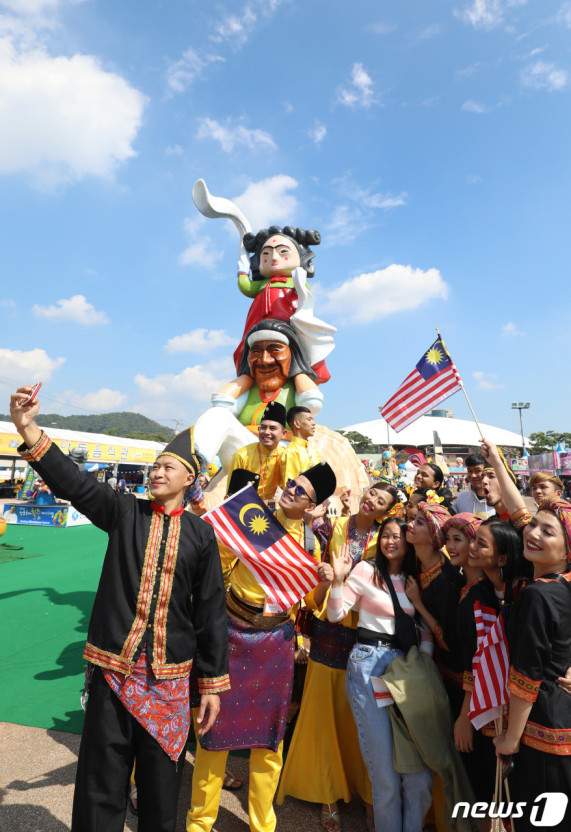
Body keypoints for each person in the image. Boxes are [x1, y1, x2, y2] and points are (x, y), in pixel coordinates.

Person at [10, 385, 229, 832]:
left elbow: (210, 612)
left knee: (160, 789)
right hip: (114, 672)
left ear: (190, 479)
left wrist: (210, 684)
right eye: (154, 466)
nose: (156, 472)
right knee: (99, 785)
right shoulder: (124, 512)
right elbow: (74, 482)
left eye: (167, 466)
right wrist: (28, 427)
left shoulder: (202, 536)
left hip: (169, 682)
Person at [187, 462, 337, 832]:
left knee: (269, 742)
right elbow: (217, 567)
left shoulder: (309, 543)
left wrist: (327, 580)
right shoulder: (252, 517)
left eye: (302, 491)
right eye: (292, 484)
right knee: (212, 733)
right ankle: (199, 824)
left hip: (275, 644)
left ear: (313, 506)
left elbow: (314, 605)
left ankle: (262, 825)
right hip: (231, 633)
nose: (292, 491)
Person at [277, 482, 400, 831]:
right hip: (330, 625)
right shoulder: (334, 525)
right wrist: (309, 530)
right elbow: (307, 556)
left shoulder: (386, 539)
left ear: (386, 511)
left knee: (359, 717)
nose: (371, 501)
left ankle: (369, 793)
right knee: (322, 713)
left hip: (366, 633)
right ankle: (326, 791)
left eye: (380, 501)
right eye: (371, 494)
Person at [327, 517, 434, 832]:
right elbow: (336, 614)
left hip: (408, 672)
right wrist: (337, 581)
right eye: (385, 535)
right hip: (369, 663)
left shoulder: (417, 578)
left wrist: (423, 663)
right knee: (385, 775)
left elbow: (425, 629)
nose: (391, 541)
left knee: (419, 777)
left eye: (397, 536)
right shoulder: (365, 571)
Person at [227, 401, 287, 503]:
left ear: (284, 434)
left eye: (272, 428)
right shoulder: (242, 455)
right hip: (244, 508)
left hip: (271, 512)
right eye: (263, 427)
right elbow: (231, 497)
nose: (267, 432)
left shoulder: (285, 455)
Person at [280, 405, 321, 484]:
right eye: (309, 420)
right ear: (297, 424)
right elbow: (290, 486)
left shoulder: (313, 451)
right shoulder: (291, 452)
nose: (314, 423)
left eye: (313, 419)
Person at [452, 452, 495, 518]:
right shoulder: (461, 498)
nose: (473, 475)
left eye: (478, 471)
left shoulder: (500, 500)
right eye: (470, 471)